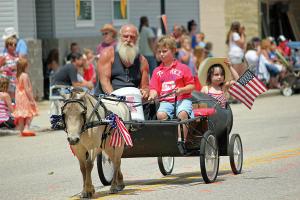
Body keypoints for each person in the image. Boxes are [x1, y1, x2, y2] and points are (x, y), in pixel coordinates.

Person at [148, 35, 195, 153]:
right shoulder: (157, 71)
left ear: (174, 51)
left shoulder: (183, 68)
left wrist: (182, 90)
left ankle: (181, 141)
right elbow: (154, 88)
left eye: (165, 51)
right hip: (166, 101)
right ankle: (168, 139)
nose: (162, 54)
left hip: (182, 99)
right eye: (159, 52)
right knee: (160, 114)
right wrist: (152, 95)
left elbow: (191, 86)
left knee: (182, 113)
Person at [96, 24, 150, 98]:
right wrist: (116, 100)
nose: (128, 40)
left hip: (132, 100)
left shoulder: (142, 61)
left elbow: (144, 87)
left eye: (132, 37)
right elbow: (105, 83)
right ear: (120, 37)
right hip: (108, 99)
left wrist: (145, 92)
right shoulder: (107, 54)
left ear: (137, 39)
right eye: (125, 36)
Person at [13, 58, 38, 136]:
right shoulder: (25, 75)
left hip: (18, 97)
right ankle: (26, 127)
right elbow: (27, 89)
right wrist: (31, 99)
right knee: (30, 112)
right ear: (25, 66)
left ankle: (21, 131)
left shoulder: (17, 75)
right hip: (25, 97)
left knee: (21, 114)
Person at [0, 37, 19, 101]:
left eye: (15, 45)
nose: (13, 46)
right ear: (7, 46)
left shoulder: (16, 56)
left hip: (14, 81)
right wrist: (7, 69)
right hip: (6, 82)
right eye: (11, 44)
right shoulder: (4, 56)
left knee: (14, 100)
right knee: (8, 100)